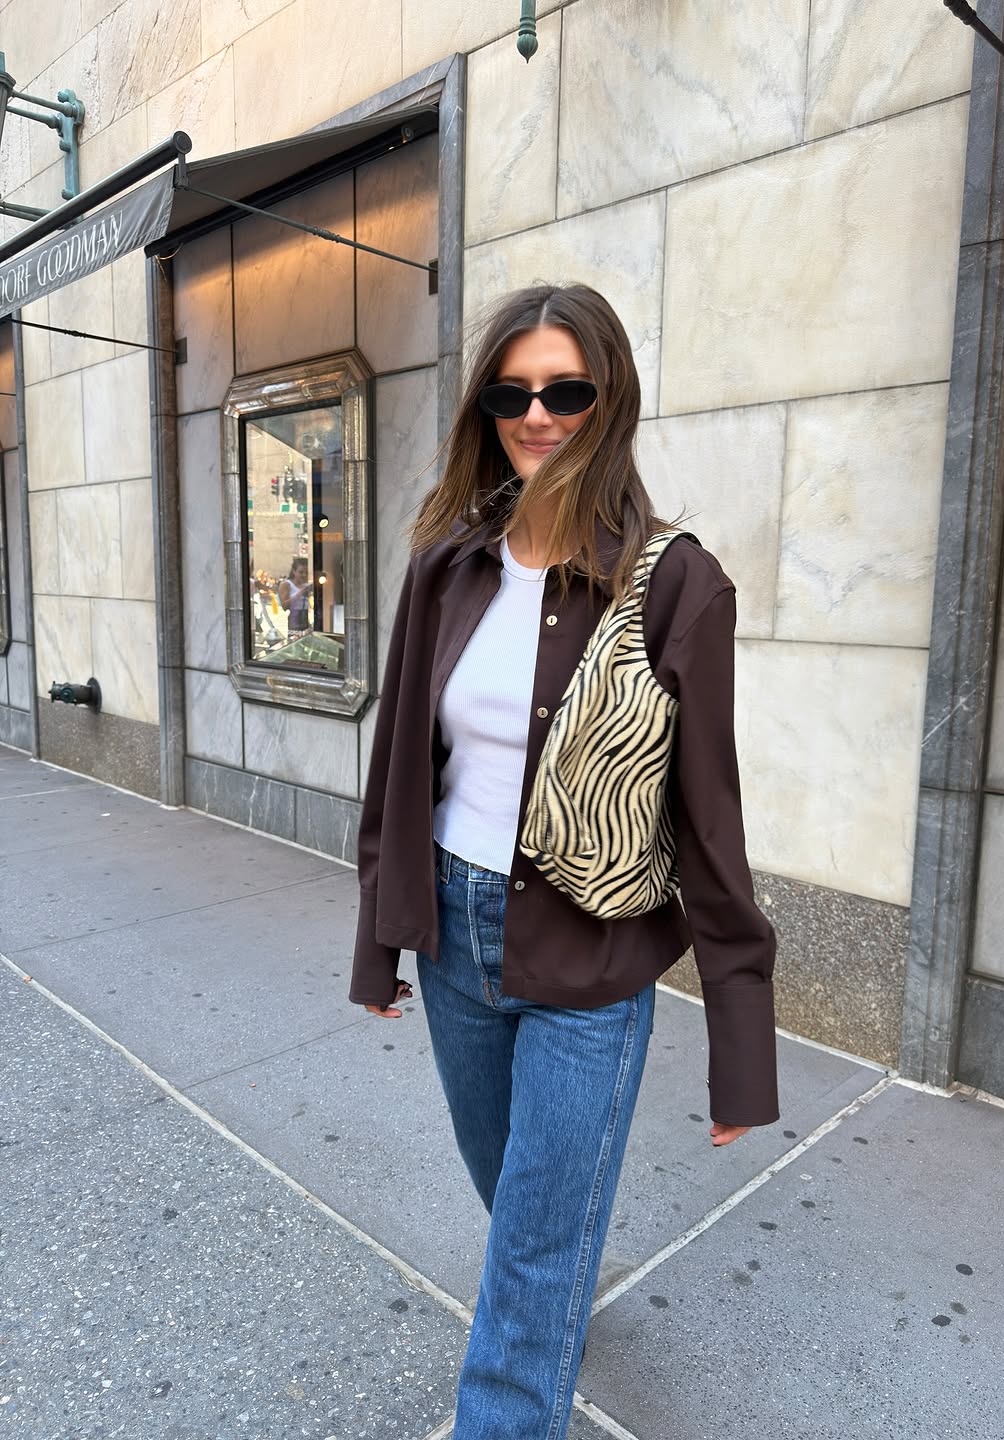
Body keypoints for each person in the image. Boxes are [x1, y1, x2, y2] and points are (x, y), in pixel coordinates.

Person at [348, 284, 778, 1439]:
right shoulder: (448, 564)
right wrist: (380, 938)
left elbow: (710, 816)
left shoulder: (679, 582)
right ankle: (547, 1300)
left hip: (592, 955)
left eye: (567, 391)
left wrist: (740, 1036)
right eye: (514, 392)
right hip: (452, 930)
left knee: (533, 1242)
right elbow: (400, 763)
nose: (539, 416)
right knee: (514, 1196)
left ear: (611, 400)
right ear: (487, 405)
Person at [278, 557, 312, 633]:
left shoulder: (305, 585)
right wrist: (300, 593)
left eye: (306, 572)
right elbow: (284, 606)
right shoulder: (286, 584)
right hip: (294, 622)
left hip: (306, 621)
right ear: (294, 571)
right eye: (301, 572)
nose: (304, 575)